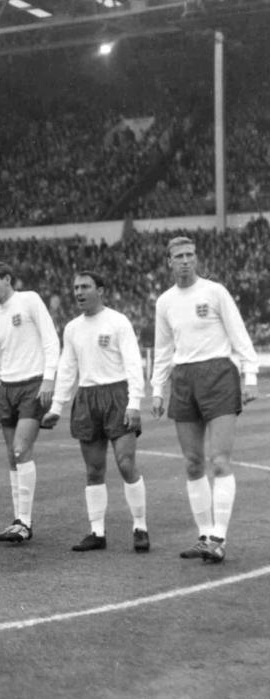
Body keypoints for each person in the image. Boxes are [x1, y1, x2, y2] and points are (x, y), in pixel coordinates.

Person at [150, 236, 259, 564]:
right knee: (193, 462)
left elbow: (240, 335)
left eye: (189, 255)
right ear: (169, 262)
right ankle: (204, 535)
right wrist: (157, 389)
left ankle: (219, 539)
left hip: (218, 375)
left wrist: (249, 377)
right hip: (183, 378)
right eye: (178, 256)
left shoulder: (214, 292)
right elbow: (163, 349)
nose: (185, 260)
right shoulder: (165, 301)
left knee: (220, 460)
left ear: (196, 259)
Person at [41, 272, 150, 553]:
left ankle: (140, 526)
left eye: (85, 287)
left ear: (100, 290)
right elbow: (67, 368)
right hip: (87, 398)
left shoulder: (117, 321)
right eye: (76, 287)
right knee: (93, 469)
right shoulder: (72, 328)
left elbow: (133, 364)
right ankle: (97, 532)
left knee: (125, 464)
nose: (79, 292)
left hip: (117, 395)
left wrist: (134, 403)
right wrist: (56, 406)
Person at [0, 261, 60, 544]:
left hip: (32, 384)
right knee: (11, 455)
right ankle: (18, 520)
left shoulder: (29, 300)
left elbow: (51, 340)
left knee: (20, 449)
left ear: (7, 279)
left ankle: (25, 523)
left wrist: (49, 379)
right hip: (7, 388)